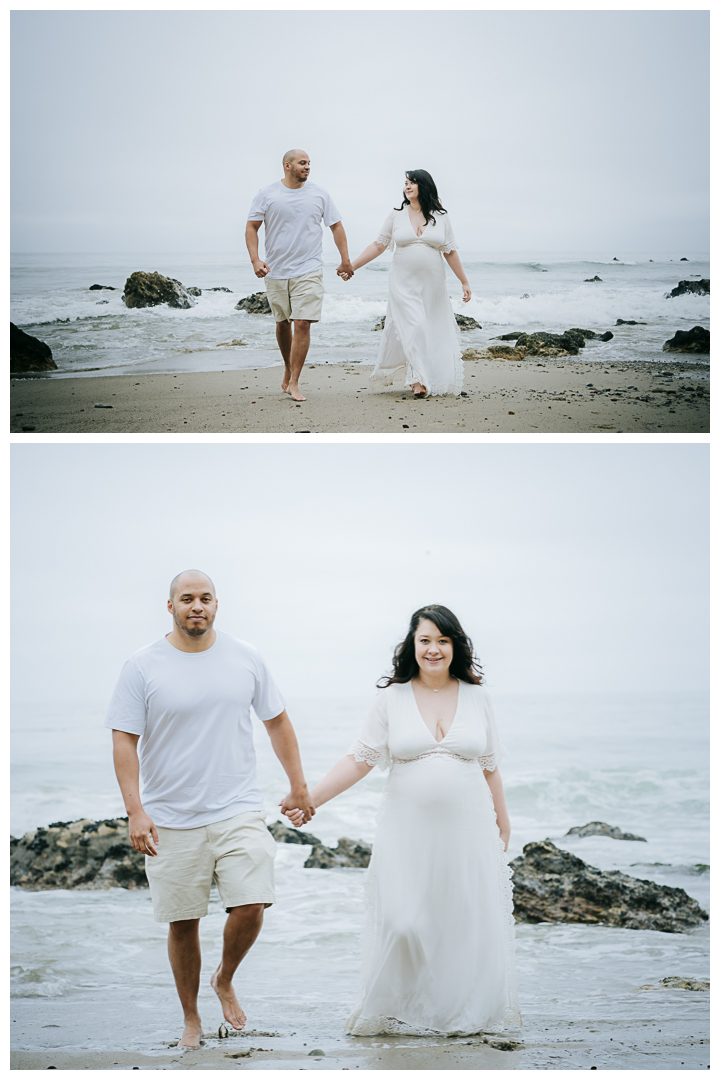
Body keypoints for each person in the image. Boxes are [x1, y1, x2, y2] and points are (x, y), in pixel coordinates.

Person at [285, 605, 520, 1036]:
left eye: (442, 641)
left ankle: (459, 1014)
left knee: (461, 919)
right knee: (404, 920)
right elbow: (359, 760)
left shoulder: (477, 696)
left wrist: (503, 823)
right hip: (405, 832)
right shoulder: (392, 698)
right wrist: (310, 798)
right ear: (412, 645)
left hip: (468, 830)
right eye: (425, 640)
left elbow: (489, 766)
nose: (434, 649)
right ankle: (399, 1010)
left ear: (456, 646)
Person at [106, 570, 314, 1049]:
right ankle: (191, 1019)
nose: (195, 606)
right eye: (186, 599)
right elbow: (124, 740)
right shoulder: (142, 666)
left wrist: (299, 787)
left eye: (204, 598)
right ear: (171, 606)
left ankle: (225, 977)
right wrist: (136, 812)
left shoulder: (245, 658)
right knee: (184, 920)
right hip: (171, 815)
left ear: (216, 604)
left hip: (237, 806)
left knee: (252, 902)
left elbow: (277, 721)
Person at [340, 170, 472, 398]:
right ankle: (417, 380)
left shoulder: (441, 217)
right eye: (405, 183)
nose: (407, 186)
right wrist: (352, 265)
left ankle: (419, 375)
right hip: (402, 282)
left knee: (428, 328)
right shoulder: (396, 215)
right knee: (416, 325)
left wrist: (464, 281)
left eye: (412, 182)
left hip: (432, 284)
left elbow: (450, 252)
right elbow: (379, 245)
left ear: (425, 185)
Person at [246, 149, 354, 402]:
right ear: (287, 165)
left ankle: (294, 381)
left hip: (309, 268)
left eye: (309, 163)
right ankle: (288, 366)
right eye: (302, 163)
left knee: (302, 322)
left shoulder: (319, 194)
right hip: (276, 270)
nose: (307, 167)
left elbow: (336, 226)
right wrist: (255, 259)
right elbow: (251, 227)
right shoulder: (267, 194)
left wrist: (345, 259)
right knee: (282, 323)